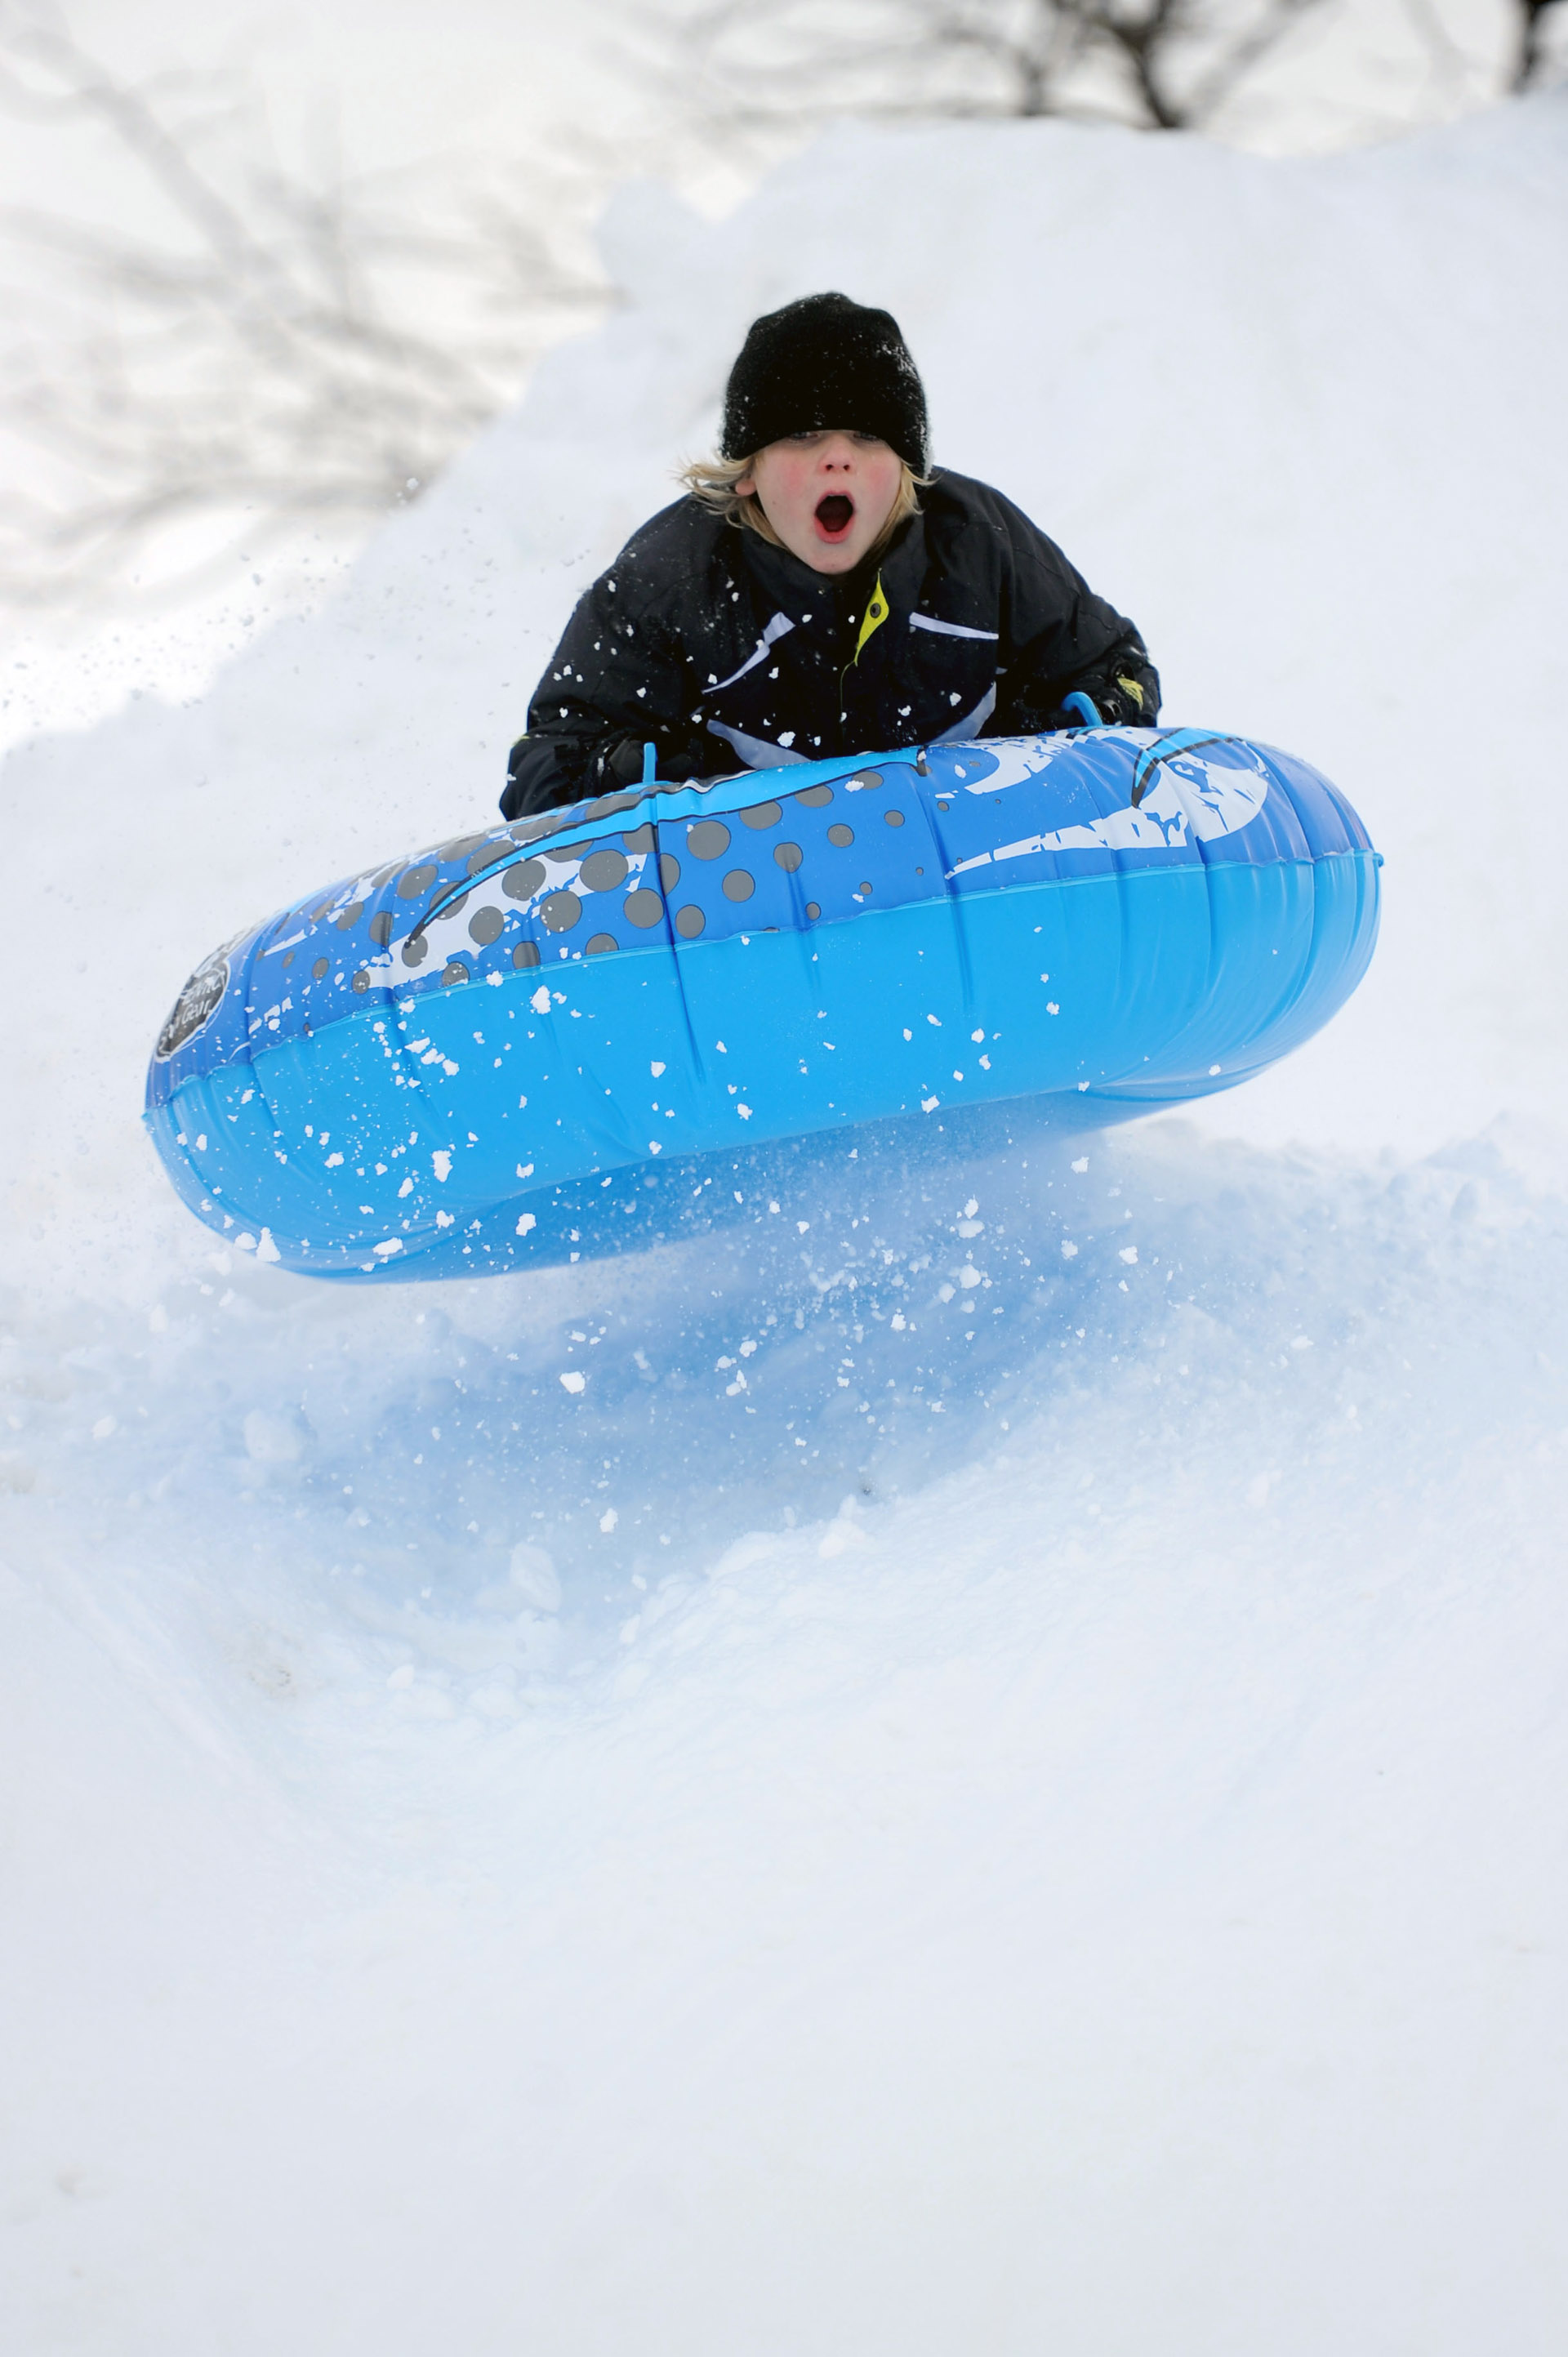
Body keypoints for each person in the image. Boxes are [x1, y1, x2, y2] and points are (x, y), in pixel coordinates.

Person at [501, 292, 1160, 821]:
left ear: (904, 471)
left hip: (963, 873)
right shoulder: (673, 582)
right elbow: (549, 768)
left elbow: (1117, 674)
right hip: (754, 897)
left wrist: (1023, 743)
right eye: (803, 433)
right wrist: (683, 779)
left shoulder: (978, 548)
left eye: (868, 436)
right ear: (747, 472)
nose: (836, 456)